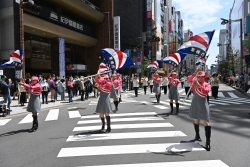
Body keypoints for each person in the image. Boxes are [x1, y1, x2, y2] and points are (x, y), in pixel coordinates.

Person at [188, 70, 211, 151]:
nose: (201, 78)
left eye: (202, 77)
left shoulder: (207, 84)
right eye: (199, 77)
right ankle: (197, 135)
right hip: (195, 104)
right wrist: (194, 73)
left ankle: (208, 142)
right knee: (196, 120)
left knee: (206, 123)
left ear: (205, 77)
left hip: (203, 105)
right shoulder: (194, 83)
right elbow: (189, 79)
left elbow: (205, 92)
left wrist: (199, 86)